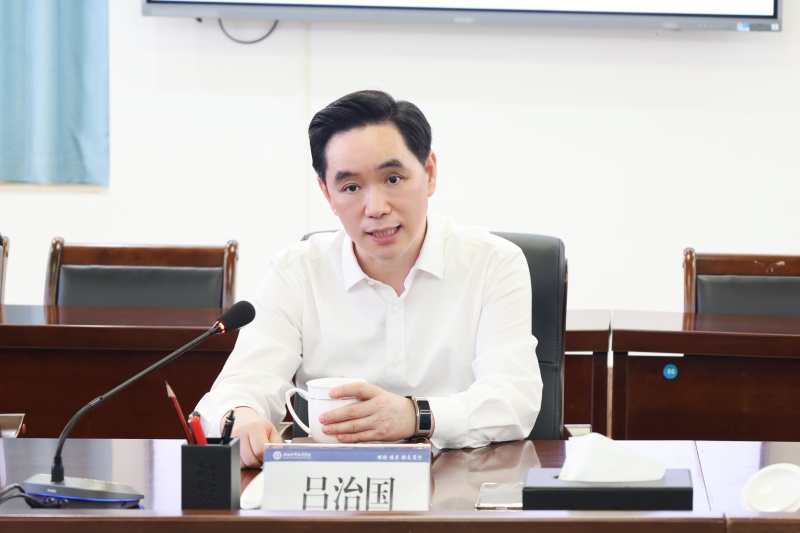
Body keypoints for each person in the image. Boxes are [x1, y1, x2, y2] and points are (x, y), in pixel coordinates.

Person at [196, 89, 542, 467]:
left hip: (458, 483)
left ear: (429, 173)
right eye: (351, 187)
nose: (375, 208)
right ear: (327, 194)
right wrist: (241, 416)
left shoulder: (493, 263)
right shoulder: (297, 272)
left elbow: (514, 399)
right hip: (333, 489)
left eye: (393, 179)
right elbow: (239, 386)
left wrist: (414, 416)